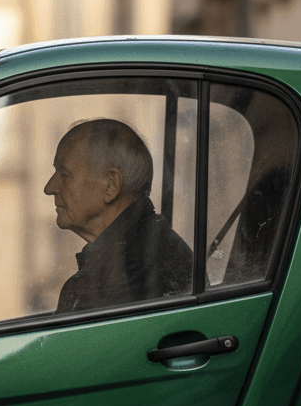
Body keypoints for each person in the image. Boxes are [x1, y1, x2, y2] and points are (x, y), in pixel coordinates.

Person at [44, 119, 193, 313]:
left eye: (64, 174)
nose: (49, 188)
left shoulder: (130, 275)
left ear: (110, 185)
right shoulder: (146, 249)